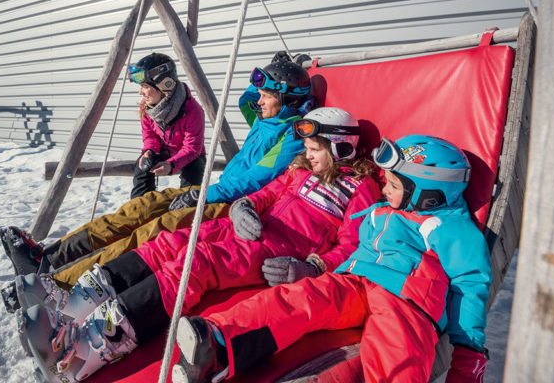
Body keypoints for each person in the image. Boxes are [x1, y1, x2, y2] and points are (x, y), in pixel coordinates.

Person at [17, 108, 382, 383]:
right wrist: (245, 207)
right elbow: (267, 194)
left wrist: (313, 266)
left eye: (316, 148)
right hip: (246, 228)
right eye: (307, 146)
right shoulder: (301, 170)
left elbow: (352, 245)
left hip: (276, 253)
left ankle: (92, 345)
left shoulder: (361, 188)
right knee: (173, 240)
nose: (309, 153)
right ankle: (79, 302)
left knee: (197, 263)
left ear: (341, 147)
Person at [170, 134, 492, 383]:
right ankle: (218, 342)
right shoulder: (384, 209)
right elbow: (350, 242)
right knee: (297, 299)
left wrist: (468, 358)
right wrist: (320, 268)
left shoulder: (454, 230)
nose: (385, 188)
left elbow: (471, 287)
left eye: (394, 184)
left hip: (407, 303)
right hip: (354, 279)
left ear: (429, 193)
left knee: (398, 358)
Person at [0, 54, 312, 295]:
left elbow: (255, 180)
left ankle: (60, 284)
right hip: (213, 191)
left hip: (230, 204)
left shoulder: (294, 134)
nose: (258, 100)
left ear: (287, 101)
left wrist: (200, 193)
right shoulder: (264, 117)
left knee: (152, 230)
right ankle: (46, 258)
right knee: (138, 207)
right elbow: (247, 98)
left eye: (267, 95)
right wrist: (277, 67)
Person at [127, 53, 206, 199]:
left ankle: (186, 208)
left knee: (194, 171)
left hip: (190, 155)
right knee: (142, 165)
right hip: (164, 151)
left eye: (144, 86)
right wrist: (150, 150)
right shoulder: (146, 107)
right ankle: (140, 206)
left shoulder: (192, 110)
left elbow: (192, 148)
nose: (140, 92)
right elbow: (150, 135)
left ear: (165, 85)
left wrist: (171, 165)